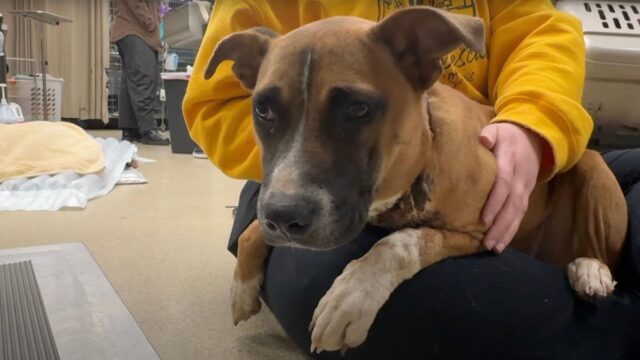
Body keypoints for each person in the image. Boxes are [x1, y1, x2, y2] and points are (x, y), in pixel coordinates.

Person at [183, 1, 640, 358]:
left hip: (485, 153)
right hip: (334, 191)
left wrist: (532, 124)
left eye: (356, 108)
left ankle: (591, 303)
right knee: (378, 306)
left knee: (606, 173)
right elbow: (213, 105)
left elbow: (542, 34)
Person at [110, 0, 169, 145]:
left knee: (131, 81)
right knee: (144, 78)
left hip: (130, 28)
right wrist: (149, 21)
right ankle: (147, 130)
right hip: (137, 29)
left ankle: (130, 129)